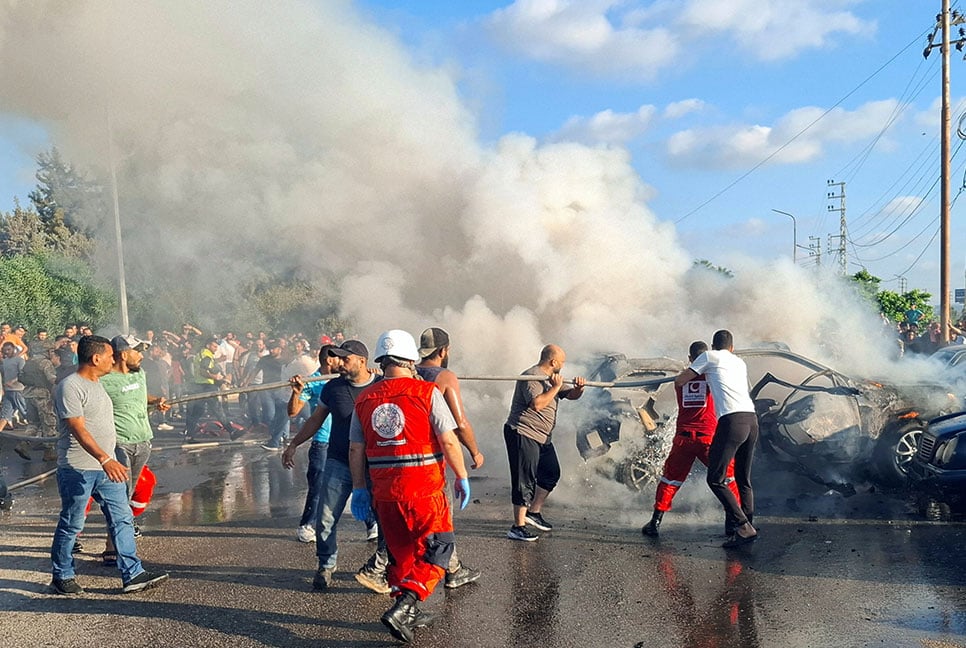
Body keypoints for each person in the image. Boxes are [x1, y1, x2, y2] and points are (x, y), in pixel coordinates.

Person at [348, 329, 470, 643]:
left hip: (385, 494)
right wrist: (462, 476)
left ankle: (409, 612)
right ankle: (405, 605)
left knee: (403, 555)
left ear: (380, 361)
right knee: (439, 548)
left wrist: (360, 488)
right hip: (424, 491)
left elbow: (355, 449)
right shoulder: (426, 392)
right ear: (411, 359)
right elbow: (448, 439)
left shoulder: (364, 399)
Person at [49, 335, 168, 595]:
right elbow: (77, 428)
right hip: (78, 468)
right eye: (110, 356)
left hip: (107, 466)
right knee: (72, 522)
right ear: (95, 358)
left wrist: (152, 403)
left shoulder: (99, 384)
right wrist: (104, 458)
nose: (114, 359)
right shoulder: (70, 386)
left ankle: (132, 573)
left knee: (122, 517)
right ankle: (62, 574)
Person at [281, 339, 381, 591]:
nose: (338, 363)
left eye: (344, 359)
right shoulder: (332, 388)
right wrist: (294, 444)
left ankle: (384, 567)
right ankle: (326, 564)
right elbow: (315, 419)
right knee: (326, 518)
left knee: (385, 520)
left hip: (375, 464)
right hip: (338, 461)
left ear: (361, 360)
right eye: (337, 358)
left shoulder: (382, 385)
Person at [642, 341, 741, 537]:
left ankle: (655, 522)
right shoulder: (714, 377)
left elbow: (686, 379)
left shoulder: (680, 380)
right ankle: (733, 523)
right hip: (708, 439)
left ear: (690, 359)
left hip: (683, 439)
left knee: (670, 479)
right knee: (728, 478)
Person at [675, 330, 759, 548]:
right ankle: (746, 527)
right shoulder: (739, 362)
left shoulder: (709, 357)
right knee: (743, 479)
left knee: (715, 478)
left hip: (731, 422)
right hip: (751, 420)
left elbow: (681, 381)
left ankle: (742, 526)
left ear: (713, 346)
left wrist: (691, 372)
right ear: (732, 347)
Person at [415, 326, 482, 588]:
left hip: (406, 455)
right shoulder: (444, 377)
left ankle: (447, 567)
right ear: (444, 350)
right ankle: (451, 571)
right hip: (433, 457)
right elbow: (460, 422)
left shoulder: (408, 372)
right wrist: (474, 451)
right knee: (442, 516)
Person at [99, 335, 170, 563]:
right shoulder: (104, 380)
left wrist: (155, 400)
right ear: (122, 354)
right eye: (137, 350)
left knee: (128, 495)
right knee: (119, 496)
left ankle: (121, 539)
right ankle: (113, 546)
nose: (142, 355)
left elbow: (139, 394)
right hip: (119, 443)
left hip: (143, 441)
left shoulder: (139, 373)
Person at [504, 344, 585, 541]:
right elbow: (537, 404)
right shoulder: (532, 376)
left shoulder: (554, 379)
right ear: (553, 362)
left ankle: (534, 512)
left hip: (542, 437)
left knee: (551, 473)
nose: (563, 366)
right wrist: (555, 386)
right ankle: (517, 527)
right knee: (525, 480)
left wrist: (579, 388)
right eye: (562, 362)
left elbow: (570, 395)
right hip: (523, 432)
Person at [285, 343, 339, 543]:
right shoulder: (314, 382)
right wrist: (296, 391)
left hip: (346, 440)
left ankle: (371, 524)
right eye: (338, 358)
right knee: (318, 486)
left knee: (361, 483)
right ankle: (307, 525)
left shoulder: (344, 378)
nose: (342, 362)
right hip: (322, 442)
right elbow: (292, 412)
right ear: (329, 360)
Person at [257, 340, 291, 450]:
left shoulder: (286, 360)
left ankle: (285, 436)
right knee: (270, 415)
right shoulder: (264, 360)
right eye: (270, 349)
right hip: (267, 389)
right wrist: (245, 382)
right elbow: (255, 371)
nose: (271, 351)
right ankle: (275, 436)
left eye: (274, 348)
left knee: (283, 414)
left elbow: (292, 372)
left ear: (279, 349)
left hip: (281, 389)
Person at [0, 341, 28, 433]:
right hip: (8, 390)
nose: (7, 352)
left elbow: (23, 374)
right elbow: (3, 375)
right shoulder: (5, 361)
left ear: (14, 349)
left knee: (25, 411)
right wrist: (3, 388)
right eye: (5, 350)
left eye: (9, 349)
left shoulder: (19, 360)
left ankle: (36, 429)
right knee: (5, 413)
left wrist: (12, 381)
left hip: (18, 389)